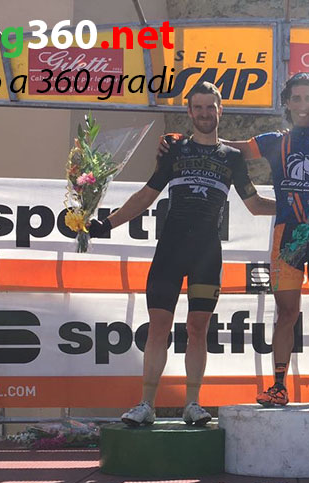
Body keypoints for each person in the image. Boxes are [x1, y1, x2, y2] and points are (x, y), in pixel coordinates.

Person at [159, 72, 309, 408]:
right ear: (287, 102)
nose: (302, 104)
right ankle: (278, 387)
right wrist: (183, 142)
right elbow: (227, 148)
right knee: (287, 313)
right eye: (296, 98)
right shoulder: (274, 141)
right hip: (286, 238)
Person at [89, 81, 275, 427]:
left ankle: (192, 403)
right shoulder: (174, 150)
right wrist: (107, 223)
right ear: (189, 112)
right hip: (170, 250)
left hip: (207, 254)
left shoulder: (232, 158)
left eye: (210, 107)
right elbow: (146, 195)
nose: (205, 113)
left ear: (220, 110)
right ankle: (146, 404)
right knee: (158, 327)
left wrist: (295, 208)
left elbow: (253, 204)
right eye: (198, 107)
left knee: (197, 328)